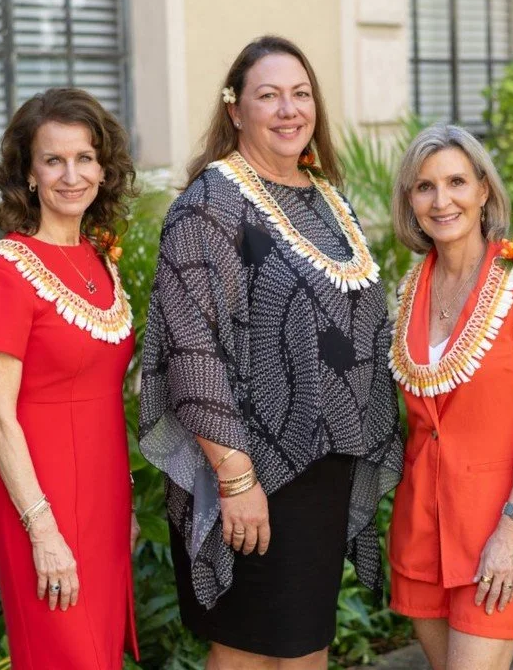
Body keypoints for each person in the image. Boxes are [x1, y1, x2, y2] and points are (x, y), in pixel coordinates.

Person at [138, 36, 402, 669]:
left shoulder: (324, 197)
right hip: (250, 471)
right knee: (249, 653)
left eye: (301, 94)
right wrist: (236, 482)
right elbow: (192, 351)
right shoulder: (210, 207)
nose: (289, 110)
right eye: (269, 95)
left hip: (322, 471)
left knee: (305, 650)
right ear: (235, 109)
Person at [0, 88, 140, 669]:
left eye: (85, 158)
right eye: (53, 160)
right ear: (29, 173)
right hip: (39, 500)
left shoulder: (100, 260)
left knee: (100, 654)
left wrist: (125, 503)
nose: (71, 175)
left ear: (103, 169)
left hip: (105, 495)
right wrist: (42, 530)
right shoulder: (4, 272)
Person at [387, 124, 513, 670]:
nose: (442, 201)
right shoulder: (409, 289)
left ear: (484, 190)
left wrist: (512, 529)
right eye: (425, 187)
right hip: (421, 527)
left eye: (457, 182)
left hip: (497, 526)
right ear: (410, 201)